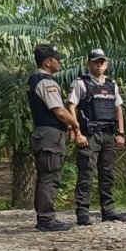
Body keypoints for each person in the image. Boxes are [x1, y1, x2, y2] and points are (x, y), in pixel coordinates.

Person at [28, 44, 88, 232]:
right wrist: (75, 124)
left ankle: (43, 217)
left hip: (41, 133)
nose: (60, 62)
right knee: (50, 176)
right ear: (47, 62)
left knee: (44, 176)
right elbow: (60, 111)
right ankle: (46, 219)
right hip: (50, 135)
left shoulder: (33, 80)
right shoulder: (46, 82)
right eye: (57, 59)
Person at [68, 48, 126, 225]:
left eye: (102, 61)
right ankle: (82, 213)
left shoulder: (112, 84)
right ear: (89, 63)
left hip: (109, 134)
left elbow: (118, 109)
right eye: (95, 61)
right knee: (86, 173)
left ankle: (108, 211)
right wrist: (77, 131)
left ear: (107, 64)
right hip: (90, 135)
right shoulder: (81, 83)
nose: (99, 65)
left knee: (108, 174)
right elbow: (71, 106)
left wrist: (121, 133)